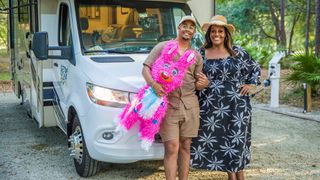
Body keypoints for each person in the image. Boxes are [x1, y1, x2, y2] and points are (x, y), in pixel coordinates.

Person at [190, 15, 261, 180]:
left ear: (226, 34)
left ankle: (239, 176)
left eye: (220, 31)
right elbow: (191, 76)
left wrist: (251, 85)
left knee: (237, 140)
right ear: (209, 34)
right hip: (210, 107)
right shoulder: (200, 53)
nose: (217, 34)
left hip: (237, 105)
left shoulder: (237, 52)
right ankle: (232, 176)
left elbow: (255, 68)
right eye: (213, 31)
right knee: (222, 141)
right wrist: (201, 83)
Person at [142, 15, 209, 180]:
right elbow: (146, 68)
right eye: (184, 25)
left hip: (190, 105)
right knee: (171, 147)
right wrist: (154, 85)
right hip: (168, 105)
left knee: (186, 146)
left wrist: (204, 83)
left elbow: (198, 83)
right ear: (178, 28)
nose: (187, 29)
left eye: (191, 27)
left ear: (194, 32)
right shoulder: (163, 47)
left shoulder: (196, 56)